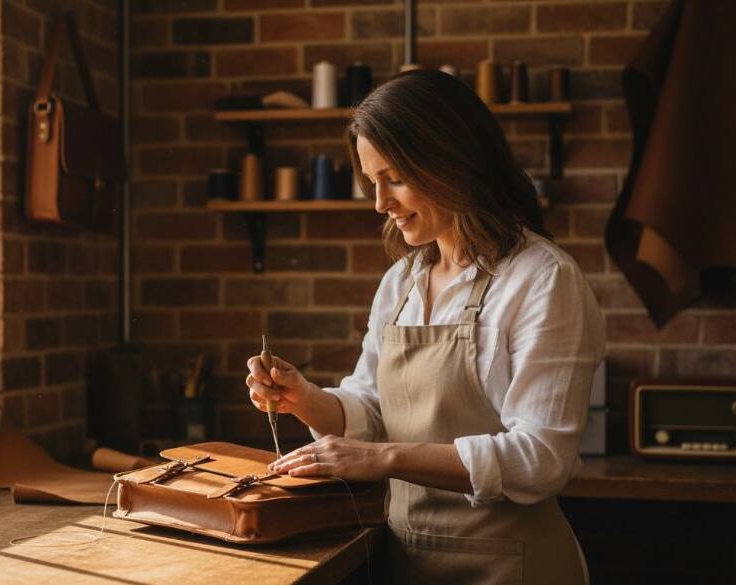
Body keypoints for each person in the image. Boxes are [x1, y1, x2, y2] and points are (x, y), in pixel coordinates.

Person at [245, 70, 605, 585]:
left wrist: (385, 458)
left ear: (451, 163)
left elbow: (541, 458)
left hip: (513, 566)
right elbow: (371, 410)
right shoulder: (402, 282)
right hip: (409, 562)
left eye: (394, 178)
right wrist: (304, 398)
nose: (380, 203)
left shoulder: (543, 279)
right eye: (372, 181)